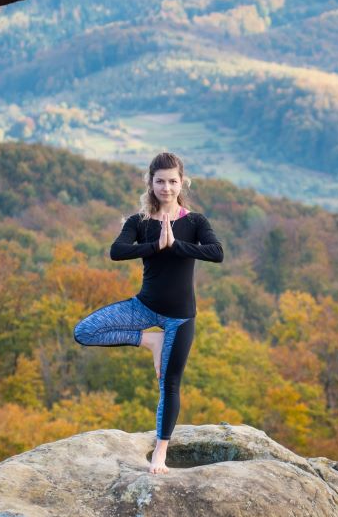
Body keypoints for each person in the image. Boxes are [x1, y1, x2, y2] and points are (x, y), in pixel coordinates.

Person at [72, 151, 224, 474]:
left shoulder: (195, 222)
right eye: (160, 181)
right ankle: (149, 342)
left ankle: (160, 452)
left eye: (172, 181)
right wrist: (155, 246)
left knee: (169, 384)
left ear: (182, 182)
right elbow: (117, 252)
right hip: (143, 308)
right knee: (84, 331)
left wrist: (175, 246)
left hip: (180, 317)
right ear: (150, 183)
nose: (166, 188)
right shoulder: (138, 222)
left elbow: (216, 252)